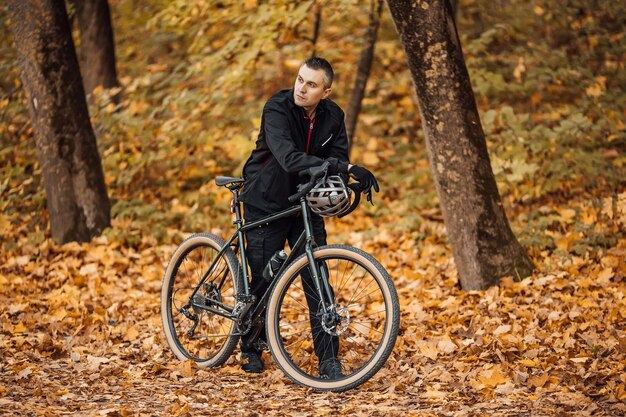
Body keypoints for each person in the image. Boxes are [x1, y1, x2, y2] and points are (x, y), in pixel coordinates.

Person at [238, 56, 379, 378]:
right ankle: (251, 346)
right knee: (263, 278)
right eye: (300, 79)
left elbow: (336, 155)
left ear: (325, 92)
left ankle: (329, 359)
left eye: (311, 84)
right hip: (267, 200)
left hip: (308, 203)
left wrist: (345, 177)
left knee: (318, 281)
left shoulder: (334, 115)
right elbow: (287, 157)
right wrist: (341, 167)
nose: (301, 88)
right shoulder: (277, 107)